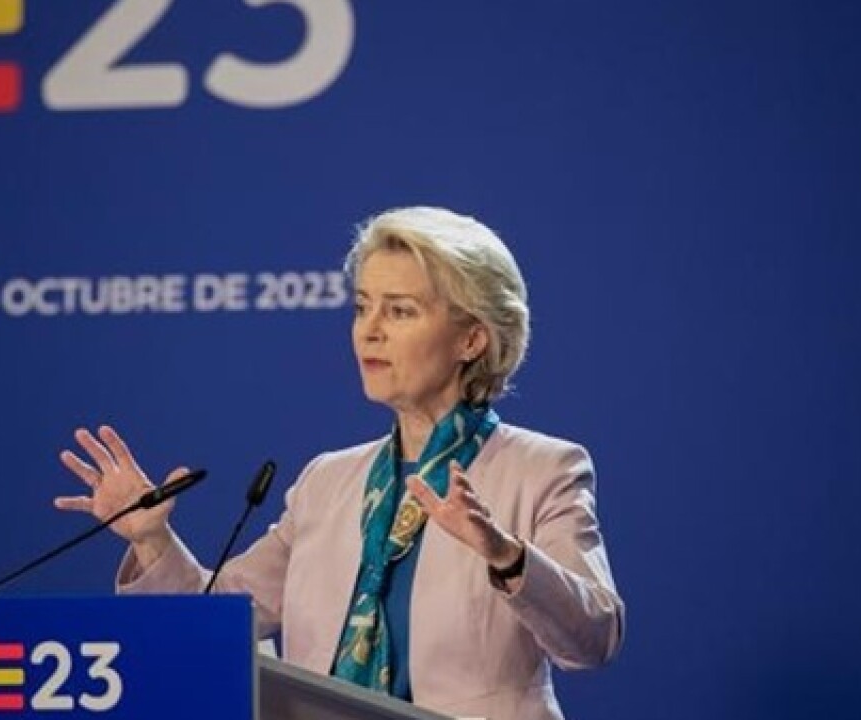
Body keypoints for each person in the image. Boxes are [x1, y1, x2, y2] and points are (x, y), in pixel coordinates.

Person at [54, 206, 624, 720]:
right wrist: (152, 539)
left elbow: (594, 636)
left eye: (400, 311)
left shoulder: (541, 469)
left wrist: (505, 555)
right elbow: (223, 620)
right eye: (362, 307)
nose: (369, 331)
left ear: (471, 339)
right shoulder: (328, 481)